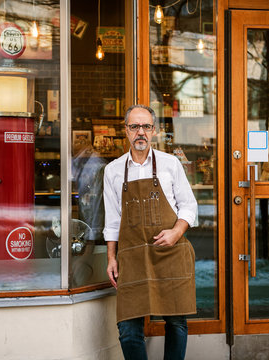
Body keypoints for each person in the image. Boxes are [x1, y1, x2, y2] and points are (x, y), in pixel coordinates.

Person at [103, 104, 198, 360]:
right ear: (126, 131)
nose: (140, 132)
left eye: (146, 126)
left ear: (154, 131)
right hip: (132, 257)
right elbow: (112, 221)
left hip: (168, 254)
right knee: (127, 328)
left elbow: (189, 206)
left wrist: (176, 233)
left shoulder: (170, 164)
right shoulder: (112, 171)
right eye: (134, 126)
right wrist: (112, 258)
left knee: (176, 322)